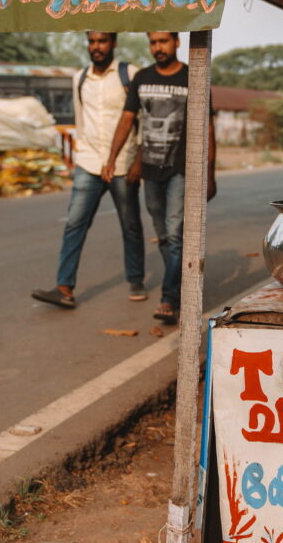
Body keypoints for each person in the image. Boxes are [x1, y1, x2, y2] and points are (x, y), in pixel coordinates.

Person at [102, 31, 216, 326]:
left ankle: (168, 298)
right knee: (164, 236)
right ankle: (180, 285)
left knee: (175, 233)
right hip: (150, 171)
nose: (158, 47)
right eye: (153, 42)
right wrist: (113, 159)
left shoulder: (194, 77)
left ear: (177, 42)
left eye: (163, 41)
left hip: (181, 168)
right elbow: (128, 119)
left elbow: (207, 127)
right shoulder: (142, 78)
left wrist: (210, 173)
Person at [32, 31, 145, 310]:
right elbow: (81, 120)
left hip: (122, 163)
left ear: (113, 43)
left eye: (102, 41)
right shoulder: (79, 78)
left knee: (130, 224)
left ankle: (136, 279)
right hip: (89, 162)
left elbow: (141, 119)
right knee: (74, 223)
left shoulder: (129, 74)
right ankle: (64, 287)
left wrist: (138, 157)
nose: (96, 47)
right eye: (92, 41)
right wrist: (79, 154)